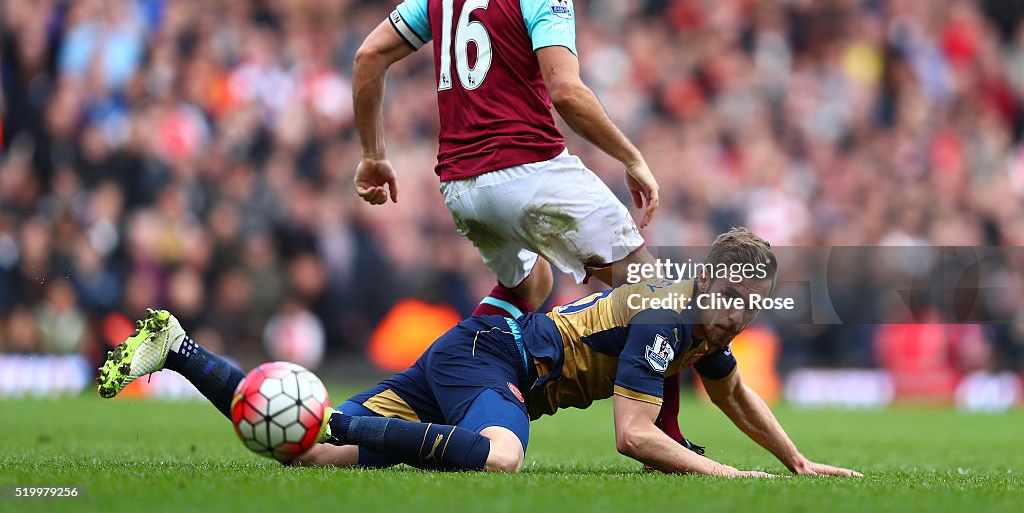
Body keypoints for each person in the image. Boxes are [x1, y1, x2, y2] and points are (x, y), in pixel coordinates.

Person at [97, 228, 861, 477]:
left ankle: (180, 348)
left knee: (299, 447)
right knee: (500, 458)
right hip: (497, 362)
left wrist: (794, 462)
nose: (738, 315)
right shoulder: (668, 312)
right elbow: (632, 436)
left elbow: (731, 393)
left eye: (748, 303)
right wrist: (724, 473)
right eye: (732, 298)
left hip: (472, 357)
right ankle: (355, 425)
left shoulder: (702, 324)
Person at [351, 0, 659, 319]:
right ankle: (672, 391)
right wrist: (631, 158)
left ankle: (455, 374)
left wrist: (374, 156)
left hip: (462, 187)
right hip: (528, 171)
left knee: (532, 285)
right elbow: (567, 93)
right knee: (656, 299)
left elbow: (369, 56)